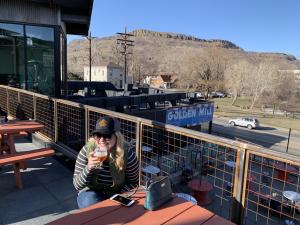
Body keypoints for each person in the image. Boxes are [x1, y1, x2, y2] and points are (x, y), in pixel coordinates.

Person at [73, 116, 139, 208]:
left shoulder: (127, 154)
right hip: (91, 192)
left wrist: (120, 196)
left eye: (107, 136)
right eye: (98, 135)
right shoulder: (86, 150)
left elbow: (134, 182)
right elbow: (77, 185)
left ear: (117, 136)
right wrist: (88, 167)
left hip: (116, 193)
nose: (101, 140)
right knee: (90, 203)